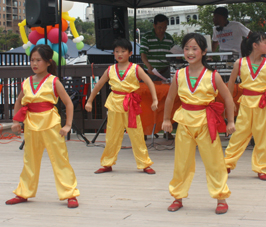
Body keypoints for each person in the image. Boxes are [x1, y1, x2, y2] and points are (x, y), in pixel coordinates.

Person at [162, 33, 236, 214]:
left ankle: (221, 198)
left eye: (194, 48)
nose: (190, 52)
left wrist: (231, 121)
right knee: (182, 162)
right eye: (187, 48)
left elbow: (228, 98)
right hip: (185, 122)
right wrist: (166, 119)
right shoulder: (179, 74)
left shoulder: (213, 75)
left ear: (203, 52)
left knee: (214, 162)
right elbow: (170, 98)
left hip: (206, 122)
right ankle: (177, 197)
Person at [7, 44, 80, 208]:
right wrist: (15, 121)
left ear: (48, 62)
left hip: (50, 123)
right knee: (29, 160)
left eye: (38, 60)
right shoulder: (26, 82)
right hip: (31, 124)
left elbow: (68, 103)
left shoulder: (54, 81)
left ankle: (70, 193)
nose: (34, 63)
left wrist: (68, 125)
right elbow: (19, 101)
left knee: (60, 159)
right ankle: (24, 192)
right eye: (32, 60)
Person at [85, 38, 158, 174]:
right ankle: (107, 163)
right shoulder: (110, 70)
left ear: (130, 53)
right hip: (114, 104)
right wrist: (89, 100)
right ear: (113, 53)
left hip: (131, 104)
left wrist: (155, 99)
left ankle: (145, 164)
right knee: (112, 135)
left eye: (123, 51)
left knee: (136, 135)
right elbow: (99, 85)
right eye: (117, 51)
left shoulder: (136, 68)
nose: (119, 54)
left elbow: (149, 82)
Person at [224, 32, 266, 181]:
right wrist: (230, 101)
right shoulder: (240, 63)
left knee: (262, 137)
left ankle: (261, 168)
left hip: (262, 104)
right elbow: (231, 83)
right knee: (239, 134)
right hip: (246, 102)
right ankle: (227, 163)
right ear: (255, 45)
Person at [140, 14, 175, 81]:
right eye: (159, 27)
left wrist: (177, 56)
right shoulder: (147, 37)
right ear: (154, 25)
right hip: (150, 73)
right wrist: (149, 66)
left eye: (164, 27)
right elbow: (143, 55)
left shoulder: (169, 38)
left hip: (165, 72)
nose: (162, 30)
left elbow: (172, 54)